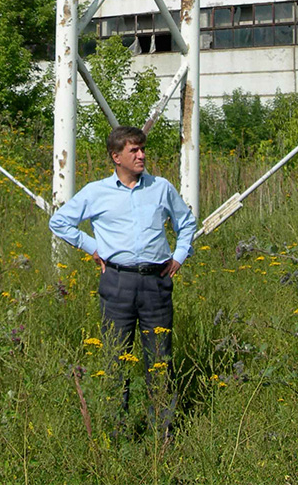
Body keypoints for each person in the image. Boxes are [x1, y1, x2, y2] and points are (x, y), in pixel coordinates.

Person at [48, 125, 197, 434]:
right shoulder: (96, 192)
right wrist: (92, 247)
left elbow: (186, 221)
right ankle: (117, 431)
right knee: (115, 358)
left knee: (159, 357)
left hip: (156, 282)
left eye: (143, 149)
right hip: (117, 283)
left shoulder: (160, 188)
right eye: (134, 151)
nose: (141, 155)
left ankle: (162, 432)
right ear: (116, 157)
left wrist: (180, 255)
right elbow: (59, 221)